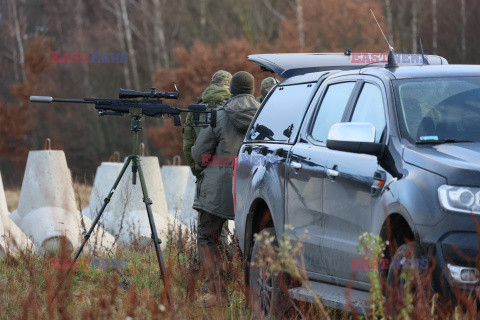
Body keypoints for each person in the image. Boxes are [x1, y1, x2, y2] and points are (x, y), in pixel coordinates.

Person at [191, 71, 260, 307]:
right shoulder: (266, 114)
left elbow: (199, 155)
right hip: (256, 186)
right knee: (257, 242)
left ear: (231, 90)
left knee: (209, 237)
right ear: (252, 90)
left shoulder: (218, 115)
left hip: (219, 187)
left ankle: (218, 294)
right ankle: (256, 298)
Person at [183, 70, 232, 177]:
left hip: (203, 169)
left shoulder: (195, 109)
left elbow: (187, 144)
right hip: (229, 169)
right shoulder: (234, 107)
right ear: (229, 87)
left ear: (212, 85)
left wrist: (196, 170)